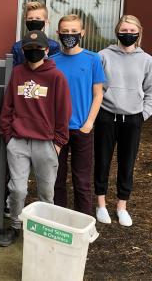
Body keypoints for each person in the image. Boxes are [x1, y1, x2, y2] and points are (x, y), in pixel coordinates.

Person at [0, 30, 72, 247]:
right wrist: (9, 136)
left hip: (46, 143)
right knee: (17, 189)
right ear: (23, 51)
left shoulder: (56, 76)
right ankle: (14, 226)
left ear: (46, 50)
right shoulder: (18, 73)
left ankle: (43, 231)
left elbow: (64, 111)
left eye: (37, 49)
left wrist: (58, 143)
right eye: (28, 49)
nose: (33, 52)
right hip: (18, 141)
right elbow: (8, 107)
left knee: (46, 191)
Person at [94, 15, 152, 226]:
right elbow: (96, 87)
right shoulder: (103, 56)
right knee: (102, 161)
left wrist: (143, 114)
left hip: (133, 119)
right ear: (117, 31)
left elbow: (150, 91)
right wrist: (98, 112)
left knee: (127, 164)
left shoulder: (146, 60)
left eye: (132, 31)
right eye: (124, 31)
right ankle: (100, 204)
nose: (128, 34)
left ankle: (121, 206)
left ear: (139, 33)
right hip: (106, 116)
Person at [51, 14, 105, 215]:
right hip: (58, 131)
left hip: (83, 129)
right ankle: (59, 220)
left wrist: (89, 123)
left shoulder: (93, 59)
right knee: (57, 179)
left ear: (82, 33)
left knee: (82, 181)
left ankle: (84, 224)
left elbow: (98, 93)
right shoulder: (52, 62)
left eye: (74, 31)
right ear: (58, 33)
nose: (69, 35)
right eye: (65, 32)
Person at [11, 1, 61, 67]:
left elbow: (55, 69)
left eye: (38, 18)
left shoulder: (53, 46)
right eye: (30, 18)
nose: (33, 21)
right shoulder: (17, 47)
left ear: (46, 22)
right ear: (25, 21)